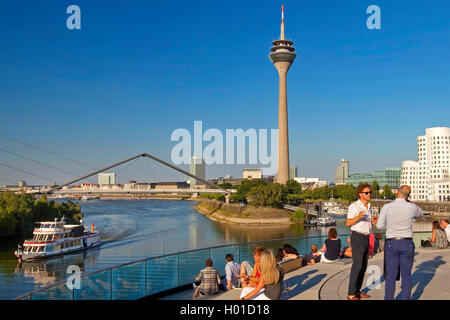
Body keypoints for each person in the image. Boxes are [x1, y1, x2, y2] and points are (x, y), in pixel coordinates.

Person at [376, 185, 424, 300]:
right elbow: (421, 213)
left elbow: (379, 226)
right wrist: (409, 202)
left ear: (397, 192)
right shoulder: (412, 207)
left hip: (392, 242)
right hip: (407, 242)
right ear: (408, 196)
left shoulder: (387, 207)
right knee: (406, 275)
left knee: (391, 276)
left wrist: (390, 224)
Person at [346, 183, 378, 300]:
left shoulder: (368, 207)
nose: (369, 194)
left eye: (370, 192)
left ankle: (357, 291)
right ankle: (351, 294)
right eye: (367, 193)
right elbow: (348, 223)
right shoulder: (354, 207)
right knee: (357, 265)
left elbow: (367, 225)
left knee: (364, 266)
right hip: (357, 237)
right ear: (360, 194)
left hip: (366, 237)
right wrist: (358, 216)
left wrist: (373, 223)